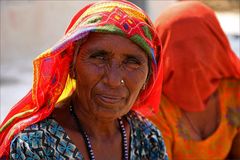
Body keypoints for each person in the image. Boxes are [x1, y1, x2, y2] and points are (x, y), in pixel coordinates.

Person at [0, 1, 168, 159]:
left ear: (149, 76)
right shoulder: (35, 144)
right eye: (99, 57)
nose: (113, 80)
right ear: (71, 66)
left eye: (132, 62)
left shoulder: (148, 138)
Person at [147, 1, 240, 160]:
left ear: (218, 43)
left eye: (201, 44)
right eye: (179, 49)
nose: (194, 58)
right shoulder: (156, 108)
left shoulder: (233, 90)